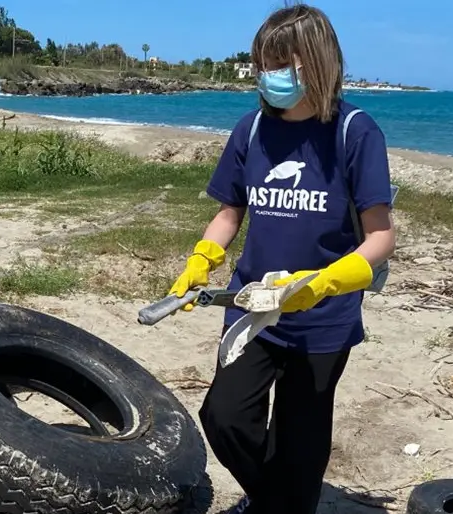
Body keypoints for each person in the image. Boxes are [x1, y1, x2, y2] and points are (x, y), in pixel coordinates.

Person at [166, 4, 396, 513]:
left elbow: (380, 238)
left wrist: (323, 283)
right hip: (252, 307)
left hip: (323, 319)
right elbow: (230, 213)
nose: (268, 75)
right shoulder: (251, 130)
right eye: (263, 64)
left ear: (316, 62)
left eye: (279, 64)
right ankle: (275, 502)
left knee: (301, 441)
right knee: (224, 417)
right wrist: (201, 259)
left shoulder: (356, 132)